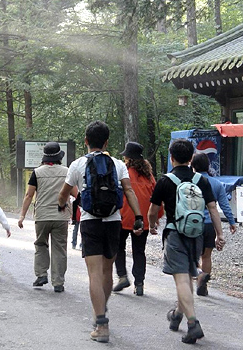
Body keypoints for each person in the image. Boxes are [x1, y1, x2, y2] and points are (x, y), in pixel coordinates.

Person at [58, 120, 144, 343]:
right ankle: (101, 313)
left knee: (94, 274)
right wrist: (138, 217)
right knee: (107, 272)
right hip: (113, 221)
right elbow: (128, 191)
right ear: (106, 142)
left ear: (86, 141)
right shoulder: (118, 164)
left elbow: (63, 194)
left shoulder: (77, 164)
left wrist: (61, 205)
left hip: (90, 222)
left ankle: (101, 324)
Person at [148, 138, 225, 344]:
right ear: (191, 158)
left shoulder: (165, 180)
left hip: (175, 234)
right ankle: (177, 315)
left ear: (171, 158)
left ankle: (193, 324)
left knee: (181, 279)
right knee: (188, 276)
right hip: (196, 235)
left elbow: (153, 211)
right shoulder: (202, 180)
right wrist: (220, 234)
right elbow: (212, 209)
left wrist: (152, 225)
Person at [18, 142, 77, 293]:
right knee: (59, 249)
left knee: (41, 244)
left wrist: (22, 215)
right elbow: (76, 194)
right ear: (59, 157)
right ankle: (58, 282)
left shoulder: (37, 172)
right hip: (61, 216)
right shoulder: (67, 171)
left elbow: (28, 195)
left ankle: (41, 275)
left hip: (42, 216)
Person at [112, 141, 163, 296]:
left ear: (127, 157)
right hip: (144, 219)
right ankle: (139, 284)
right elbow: (156, 197)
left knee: (118, 248)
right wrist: (155, 220)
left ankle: (122, 276)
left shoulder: (123, 172)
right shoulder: (149, 176)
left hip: (124, 217)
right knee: (139, 251)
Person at [191, 153, 237, 296]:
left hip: (193, 224)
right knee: (206, 256)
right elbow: (224, 205)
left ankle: (198, 276)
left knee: (193, 256)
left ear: (193, 166)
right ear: (208, 166)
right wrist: (231, 222)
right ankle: (203, 284)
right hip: (210, 224)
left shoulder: (190, 182)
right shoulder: (216, 184)